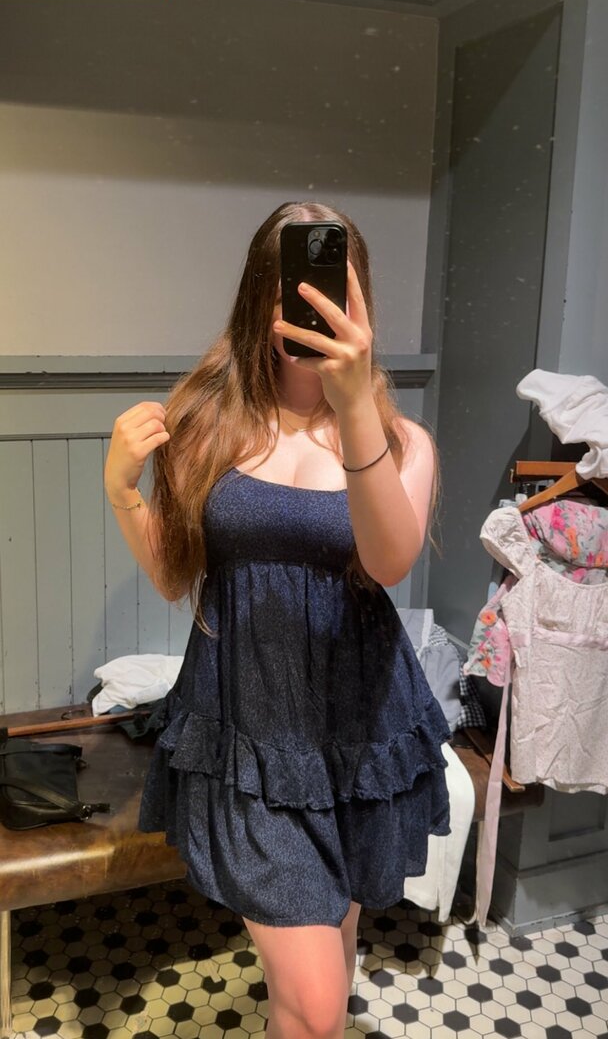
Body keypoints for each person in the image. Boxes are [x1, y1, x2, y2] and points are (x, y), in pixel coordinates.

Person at [104, 200, 451, 1039]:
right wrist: (121, 492)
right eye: (293, 286)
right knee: (318, 1003)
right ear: (261, 297)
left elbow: (388, 562)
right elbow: (174, 575)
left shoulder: (402, 443)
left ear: (360, 302)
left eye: (332, 288)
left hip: (359, 734)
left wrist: (353, 402)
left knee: (332, 949)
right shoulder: (206, 427)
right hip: (251, 738)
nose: (310, 306)